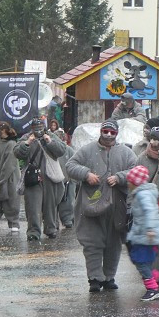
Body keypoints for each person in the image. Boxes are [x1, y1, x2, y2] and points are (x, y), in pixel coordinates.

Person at [65, 119, 137, 292]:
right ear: (101, 132)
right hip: (90, 205)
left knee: (113, 244)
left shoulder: (126, 153)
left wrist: (120, 177)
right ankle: (95, 278)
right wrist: (86, 174)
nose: (108, 135)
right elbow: (70, 165)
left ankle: (109, 277)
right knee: (92, 243)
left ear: (116, 134)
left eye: (112, 133)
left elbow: (136, 170)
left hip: (116, 206)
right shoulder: (87, 150)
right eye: (105, 131)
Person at [15, 116, 67, 241]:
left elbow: (61, 151)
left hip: (49, 175)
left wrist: (49, 142)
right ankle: (33, 232)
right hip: (32, 176)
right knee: (33, 206)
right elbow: (17, 153)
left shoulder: (51, 136)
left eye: (40, 127)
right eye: (35, 128)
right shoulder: (26, 137)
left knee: (50, 205)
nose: (38, 130)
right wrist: (27, 143)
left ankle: (51, 229)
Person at [125, 164, 159, 301]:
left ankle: (153, 289)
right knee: (144, 261)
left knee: (141, 262)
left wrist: (150, 230)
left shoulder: (143, 195)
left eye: (129, 181)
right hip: (143, 235)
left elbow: (151, 212)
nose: (127, 183)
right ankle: (155, 277)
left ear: (135, 182)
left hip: (146, 236)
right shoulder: (142, 193)